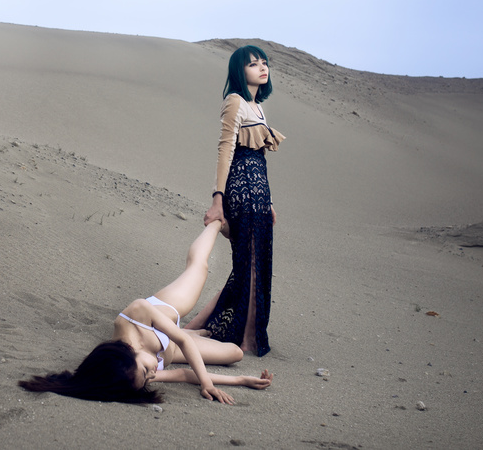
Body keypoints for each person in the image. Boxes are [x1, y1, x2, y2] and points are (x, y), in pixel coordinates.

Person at [18, 220, 274, 404]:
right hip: (175, 345)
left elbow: (183, 343)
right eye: (148, 378)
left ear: (127, 354)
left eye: (146, 371)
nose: (153, 375)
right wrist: (241, 380)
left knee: (198, 267)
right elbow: (184, 374)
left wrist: (206, 383)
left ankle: (216, 221)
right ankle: (195, 330)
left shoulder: (133, 315)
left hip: (169, 309)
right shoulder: (132, 376)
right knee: (235, 353)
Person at [185, 45, 284, 356]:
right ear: (239, 71)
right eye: (253, 64)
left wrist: (269, 202)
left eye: (264, 62)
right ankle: (246, 338)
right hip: (242, 189)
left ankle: (202, 328)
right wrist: (218, 199)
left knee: (254, 265)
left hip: (259, 191)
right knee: (248, 265)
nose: (262, 67)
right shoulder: (235, 101)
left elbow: (260, 159)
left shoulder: (258, 107)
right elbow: (225, 149)